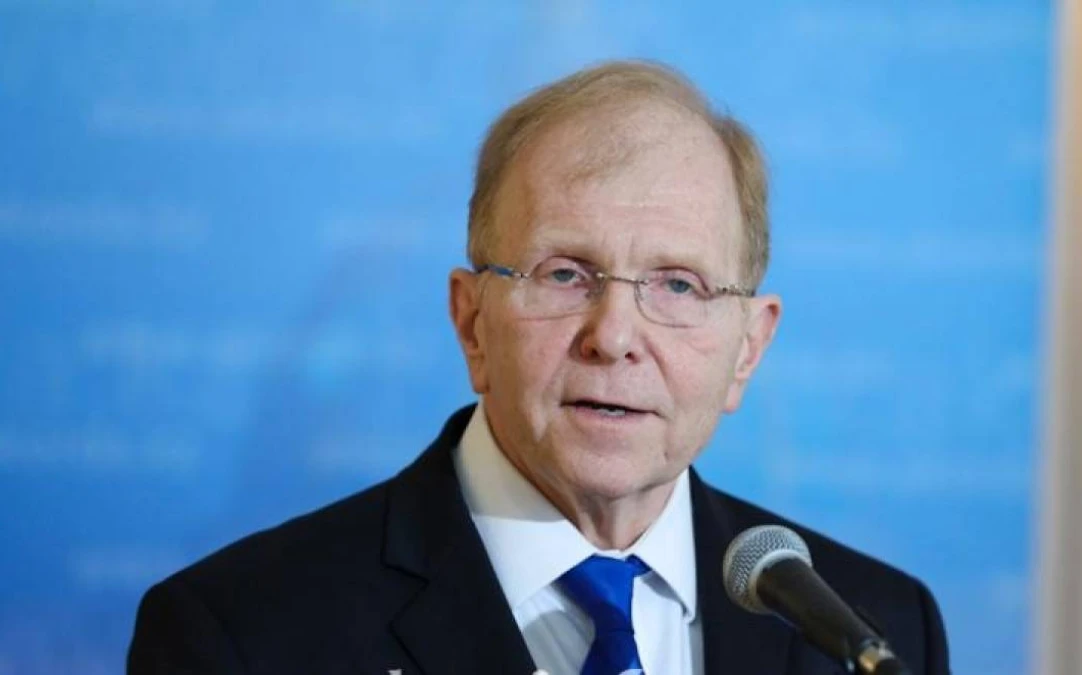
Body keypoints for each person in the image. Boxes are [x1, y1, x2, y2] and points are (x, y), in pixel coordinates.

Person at [128, 60, 950, 675]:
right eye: (564, 274)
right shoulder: (240, 635)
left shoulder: (877, 633)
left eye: (677, 283)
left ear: (748, 348)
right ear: (471, 322)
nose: (613, 336)